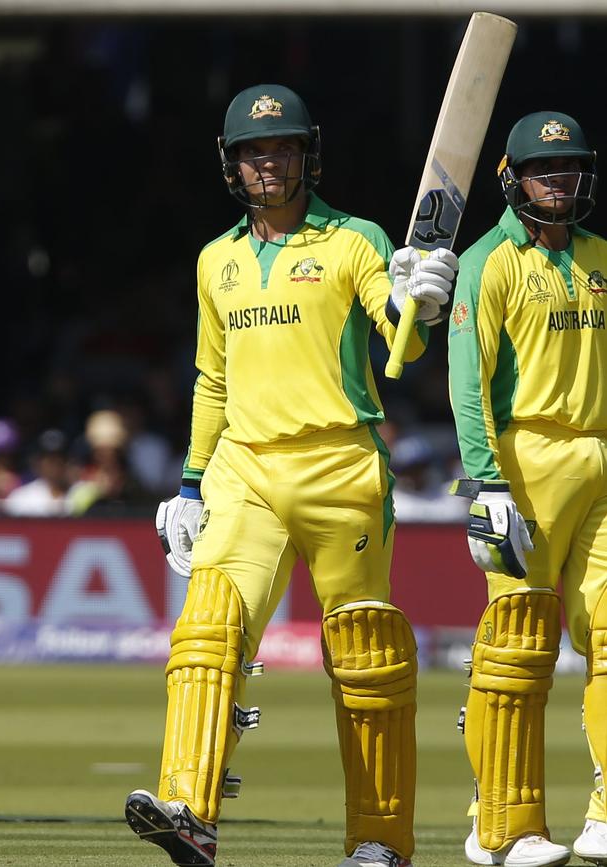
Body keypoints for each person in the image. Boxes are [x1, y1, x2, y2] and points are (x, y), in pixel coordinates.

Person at [124, 84, 457, 867]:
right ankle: (190, 810)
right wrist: (191, 482)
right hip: (245, 469)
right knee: (207, 628)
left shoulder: (355, 240)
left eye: (278, 150)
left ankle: (380, 841)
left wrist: (421, 302)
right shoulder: (218, 260)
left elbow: (401, 348)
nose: (264, 164)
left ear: (307, 155)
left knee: (366, 656)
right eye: (250, 152)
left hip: (342, 464)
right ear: (230, 166)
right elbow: (212, 381)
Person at [448, 110, 607, 867]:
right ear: (512, 180)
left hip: (601, 457)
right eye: (546, 170)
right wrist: (486, 479)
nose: (561, 181)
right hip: (525, 462)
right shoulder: (488, 261)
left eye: (570, 167)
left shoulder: (602, 256)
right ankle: (499, 816)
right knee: (518, 647)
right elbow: (466, 382)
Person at [4, 428, 74, 517]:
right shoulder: (22, 498)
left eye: (60, 458)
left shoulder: (80, 492)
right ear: (38, 462)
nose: (55, 464)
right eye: (50, 459)